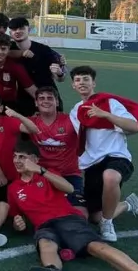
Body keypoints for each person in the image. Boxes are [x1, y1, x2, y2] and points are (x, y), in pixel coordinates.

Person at [8, 140, 138, 271]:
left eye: (22, 157)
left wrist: (40, 170)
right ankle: (51, 269)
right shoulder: (13, 188)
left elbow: (69, 188)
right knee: (46, 244)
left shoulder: (48, 174)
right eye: (15, 156)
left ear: (35, 159)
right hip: (43, 226)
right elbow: (17, 217)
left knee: (96, 247)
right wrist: (18, 224)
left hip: (67, 219)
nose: (16, 160)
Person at [68, 66, 138, 242]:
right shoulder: (75, 111)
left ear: (94, 83)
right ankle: (128, 204)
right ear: (73, 85)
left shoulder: (109, 103)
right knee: (94, 217)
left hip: (117, 157)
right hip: (92, 164)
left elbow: (134, 127)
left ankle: (107, 224)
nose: (82, 82)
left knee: (110, 176)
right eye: (78, 80)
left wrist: (105, 115)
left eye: (86, 79)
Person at [28, 87, 87, 215]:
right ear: (36, 103)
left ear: (57, 102)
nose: (46, 101)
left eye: (50, 98)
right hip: (43, 174)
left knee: (82, 214)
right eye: (41, 98)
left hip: (70, 174)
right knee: (43, 212)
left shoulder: (70, 120)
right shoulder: (30, 123)